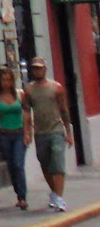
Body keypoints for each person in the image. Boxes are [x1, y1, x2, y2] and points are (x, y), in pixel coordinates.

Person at [23, 55, 74, 211]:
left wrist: (68, 132)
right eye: (35, 68)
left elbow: (64, 110)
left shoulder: (56, 87)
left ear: (45, 69)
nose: (37, 71)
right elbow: (26, 111)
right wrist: (27, 132)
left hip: (56, 130)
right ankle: (54, 192)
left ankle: (59, 198)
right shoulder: (29, 89)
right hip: (40, 132)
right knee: (45, 164)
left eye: (40, 68)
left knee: (58, 163)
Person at [0, 65, 31, 210]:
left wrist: (27, 133)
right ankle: (18, 194)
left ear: (12, 81)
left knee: (18, 164)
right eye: (3, 80)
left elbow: (26, 113)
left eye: (8, 80)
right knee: (11, 166)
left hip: (19, 134)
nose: (6, 83)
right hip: (4, 134)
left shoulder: (20, 95)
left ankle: (23, 196)